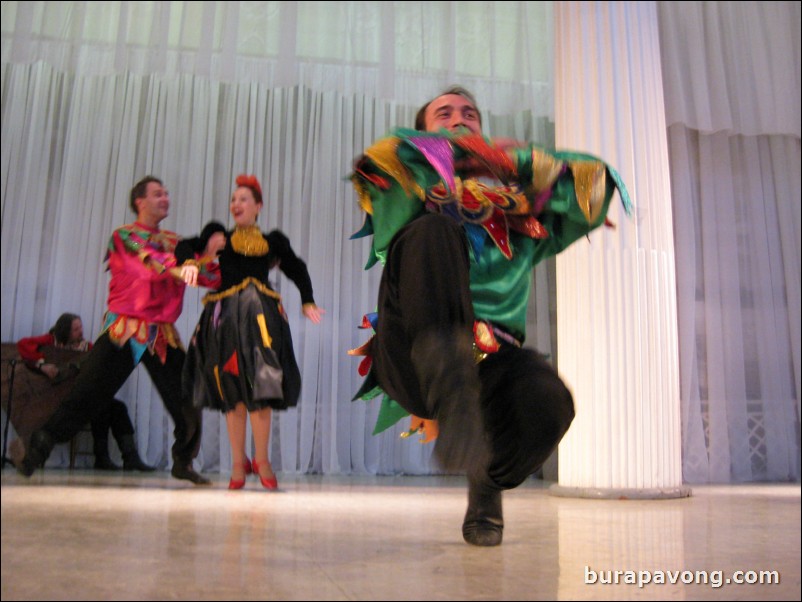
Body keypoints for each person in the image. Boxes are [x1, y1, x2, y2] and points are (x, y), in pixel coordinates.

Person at [349, 86, 631, 546]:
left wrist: (514, 163)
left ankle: (487, 482)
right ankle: (453, 389)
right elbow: (382, 161)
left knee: (549, 402)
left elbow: (595, 185)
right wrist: (457, 157)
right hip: (414, 352)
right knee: (434, 229)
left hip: (493, 362)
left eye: (470, 114)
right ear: (423, 130)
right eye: (444, 114)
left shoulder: (519, 211)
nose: (460, 119)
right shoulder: (406, 185)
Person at [10, 176, 214, 484]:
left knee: (188, 397)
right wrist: (182, 266)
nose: (165, 198)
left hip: (161, 333)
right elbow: (147, 264)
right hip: (125, 328)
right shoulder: (124, 237)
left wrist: (232, 263)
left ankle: (182, 461)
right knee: (87, 394)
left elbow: (206, 273)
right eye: (158, 194)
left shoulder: (176, 242)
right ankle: (35, 451)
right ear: (139, 202)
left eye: (167, 194)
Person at [178, 174, 324, 490]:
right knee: (232, 392)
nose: (236, 204)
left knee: (262, 387)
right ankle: (236, 463)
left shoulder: (271, 241)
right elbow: (184, 246)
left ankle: (262, 459)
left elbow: (296, 267)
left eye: (244, 199)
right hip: (226, 321)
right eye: (234, 199)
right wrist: (193, 259)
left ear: (258, 206)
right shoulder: (218, 235)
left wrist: (308, 300)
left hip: (261, 321)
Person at [17, 313, 154, 471]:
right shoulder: (51, 342)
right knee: (99, 406)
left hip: (80, 394)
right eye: (75, 329)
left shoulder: (87, 347)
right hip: (57, 397)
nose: (80, 331)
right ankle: (102, 457)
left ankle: (129, 457)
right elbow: (24, 345)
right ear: (65, 330)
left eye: (80, 327)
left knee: (115, 407)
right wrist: (42, 365)